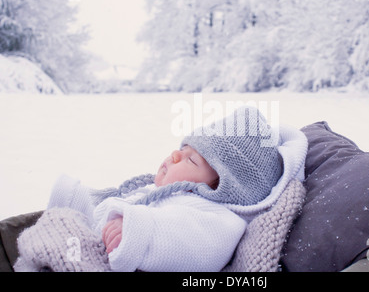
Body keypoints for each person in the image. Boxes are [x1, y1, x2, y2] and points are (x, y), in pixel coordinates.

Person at [10, 105, 309, 272]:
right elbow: (115, 204)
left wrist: (139, 232)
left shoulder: (219, 220)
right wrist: (79, 203)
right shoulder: (168, 196)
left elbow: (196, 245)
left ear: (221, 185)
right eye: (182, 148)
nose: (175, 155)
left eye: (192, 159)